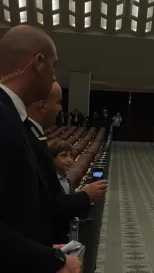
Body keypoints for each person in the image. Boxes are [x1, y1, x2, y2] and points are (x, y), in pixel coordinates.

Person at [0, 25, 81, 273]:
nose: (54, 76)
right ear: (38, 62)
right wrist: (49, 259)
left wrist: (43, 247)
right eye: (54, 65)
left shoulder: (6, 114)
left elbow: (13, 210)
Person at [26, 81, 108, 243]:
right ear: (42, 105)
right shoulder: (29, 140)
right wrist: (86, 195)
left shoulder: (35, 137)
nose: (61, 109)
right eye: (58, 103)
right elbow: (50, 205)